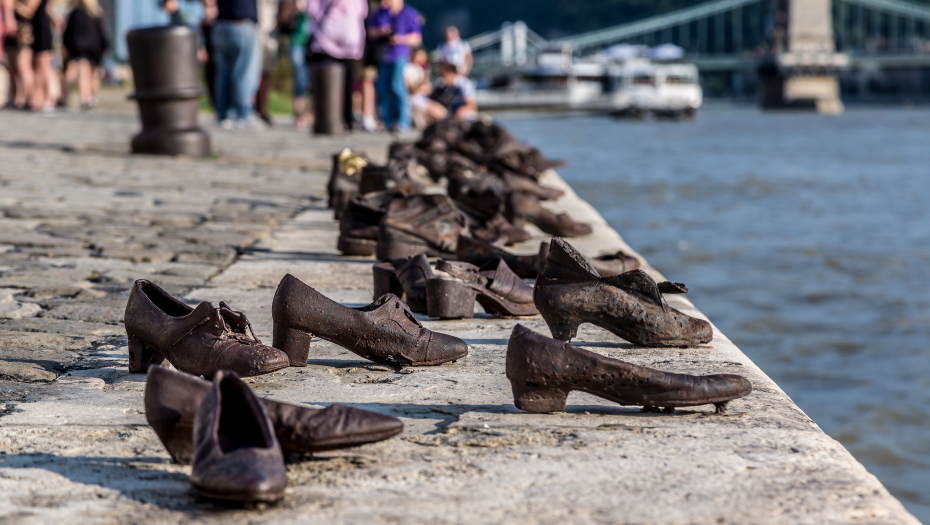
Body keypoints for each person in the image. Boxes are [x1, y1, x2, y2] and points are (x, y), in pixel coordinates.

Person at [305, 0, 367, 131]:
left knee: (347, 84)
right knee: (325, 82)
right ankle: (324, 119)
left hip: (349, 46)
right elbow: (312, 10)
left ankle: (345, 119)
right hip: (325, 43)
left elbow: (362, 12)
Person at [207, 0, 262, 129]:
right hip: (241, 24)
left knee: (223, 74)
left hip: (221, 25)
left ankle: (224, 114)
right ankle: (242, 114)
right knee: (244, 73)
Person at [367, 0, 420, 131]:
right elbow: (369, 32)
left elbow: (417, 37)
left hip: (399, 55)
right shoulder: (380, 13)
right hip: (383, 56)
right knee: (383, 89)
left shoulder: (409, 13)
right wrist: (381, 32)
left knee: (398, 87)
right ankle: (387, 122)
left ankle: (403, 123)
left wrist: (401, 39)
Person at [62, 0, 108, 109]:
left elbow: (68, 32)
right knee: (92, 73)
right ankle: (91, 96)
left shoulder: (74, 13)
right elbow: (102, 32)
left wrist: (66, 45)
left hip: (79, 46)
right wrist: (105, 46)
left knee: (82, 73)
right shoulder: (96, 13)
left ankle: (84, 98)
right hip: (95, 47)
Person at [19, 0, 58, 111]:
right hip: (39, 28)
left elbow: (29, 11)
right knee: (39, 67)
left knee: (44, 65)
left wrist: (13, 5)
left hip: (41, 29)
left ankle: (50, 99)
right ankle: (40, 98)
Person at [278, 0, 311, 129]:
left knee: (311, 81)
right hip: (297, 43)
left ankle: (310, 114)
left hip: (314, 44)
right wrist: (296, 9)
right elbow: (283, 21)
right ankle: (299, 115)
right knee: (300, 80)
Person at [3, 0, 34, 109]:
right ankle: (13, 98)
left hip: (23, 32)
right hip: (9, 31)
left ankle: (28, 99)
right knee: (11, 68)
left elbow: (29, 12)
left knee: (23, 67)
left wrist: (13, 4)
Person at [404, 47, 442, 128]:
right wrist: (423, 84)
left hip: (422, 98)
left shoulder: (420, 69)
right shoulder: (407, 68)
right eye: (420, 55)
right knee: (439, 113)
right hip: (412, 99)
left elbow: (428, 89)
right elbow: (411, 89)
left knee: (441, 113)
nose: (423, 58)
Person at [254, 0, 278, 125]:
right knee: (251, 73)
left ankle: (262, 109)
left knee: (265, 73)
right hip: (254, 29)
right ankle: (249, 108)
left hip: (270, 32)